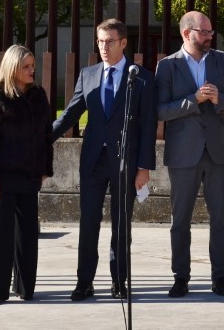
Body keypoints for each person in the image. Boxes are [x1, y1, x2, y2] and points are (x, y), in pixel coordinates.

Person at [52, 18, 157, 301]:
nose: (104, 47)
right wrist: (39, 140)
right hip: (93, 162)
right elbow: (69, 116)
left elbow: (148, 126)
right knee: (89, 223)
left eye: (110, 41)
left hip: (127, 163)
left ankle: (119, 281)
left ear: (123, 43)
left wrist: (144, 168)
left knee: (121, 225)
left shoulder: (142, 78)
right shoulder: (88, 75)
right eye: (100, 41)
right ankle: (84, 282)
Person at [155, 11, 224, 298]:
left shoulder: (222, 60)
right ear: (187, 33)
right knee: (180, 220)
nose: (211, 36)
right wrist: (192, 101)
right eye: (205, 32)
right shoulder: (167, 66)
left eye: (211, 32)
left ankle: (220, 277)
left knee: (220, 218)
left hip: (218, 151)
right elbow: (160, 110)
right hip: (183, 154)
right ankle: (180, 277)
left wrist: (220, 98)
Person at [0, 44, 54, 306]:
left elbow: (45, 136)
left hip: (29, 177)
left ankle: (25, 287)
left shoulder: (38, 96)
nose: (32, 70)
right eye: (26, 66)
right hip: (2, 178)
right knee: (0, 236)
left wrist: (44, 168)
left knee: (27, 236)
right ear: (12, 68)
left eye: (33, 65)